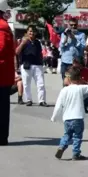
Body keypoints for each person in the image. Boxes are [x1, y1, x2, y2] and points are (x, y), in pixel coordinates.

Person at [16, 25, 48, 107]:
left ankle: (42, 101)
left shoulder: (38, 42)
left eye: (33, 31)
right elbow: (17, 52)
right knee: (26, 84)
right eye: (30, 31)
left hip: (38, 65)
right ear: (27, 32)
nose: (32, 33)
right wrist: (23, 43)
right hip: (26, 65)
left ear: (36, 33)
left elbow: (41, 52)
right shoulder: (23, 41)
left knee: (41, 84)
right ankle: (29, 100)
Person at [0, 1, 15, 146]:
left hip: (1, 73)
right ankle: (2, 137)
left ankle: (2, 137)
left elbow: (1, 48)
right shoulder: (5, 27)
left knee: (2, 108)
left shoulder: (1, 28)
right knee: (3, 107)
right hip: (5, 74)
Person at [59, 18, 86, 82]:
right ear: (68, 25)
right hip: (65, 62)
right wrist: (66, 37)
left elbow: (82, 48)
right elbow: (61, 47)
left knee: (75, 82)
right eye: (71, 25)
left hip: (76, 63)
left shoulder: (81, 35)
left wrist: (74, 38)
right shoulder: (64, 34)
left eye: (75, 25)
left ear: (77, 25)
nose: (73, 26)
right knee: (65, 82)